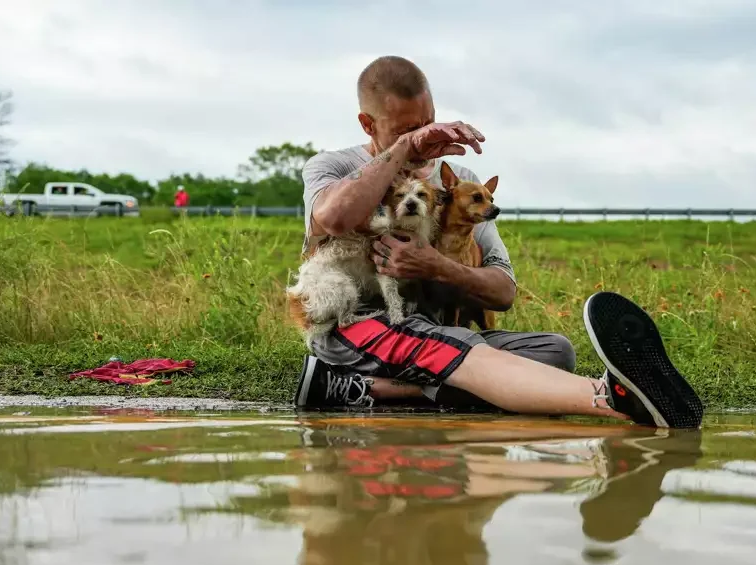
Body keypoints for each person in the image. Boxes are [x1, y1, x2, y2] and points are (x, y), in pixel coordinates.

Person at [293, 55, 703, 429]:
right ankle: (611, 397)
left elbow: (503, 293)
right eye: (406, 131)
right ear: (368, 124)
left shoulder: (460, 184)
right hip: (356, 324)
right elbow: (333, 217)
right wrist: (403, 151)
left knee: (554, 353)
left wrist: (435, 265)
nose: (423, 139)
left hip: (435, 332)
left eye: (427, 124)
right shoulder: (333, 166)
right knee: (459, 344)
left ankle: (360, 389)